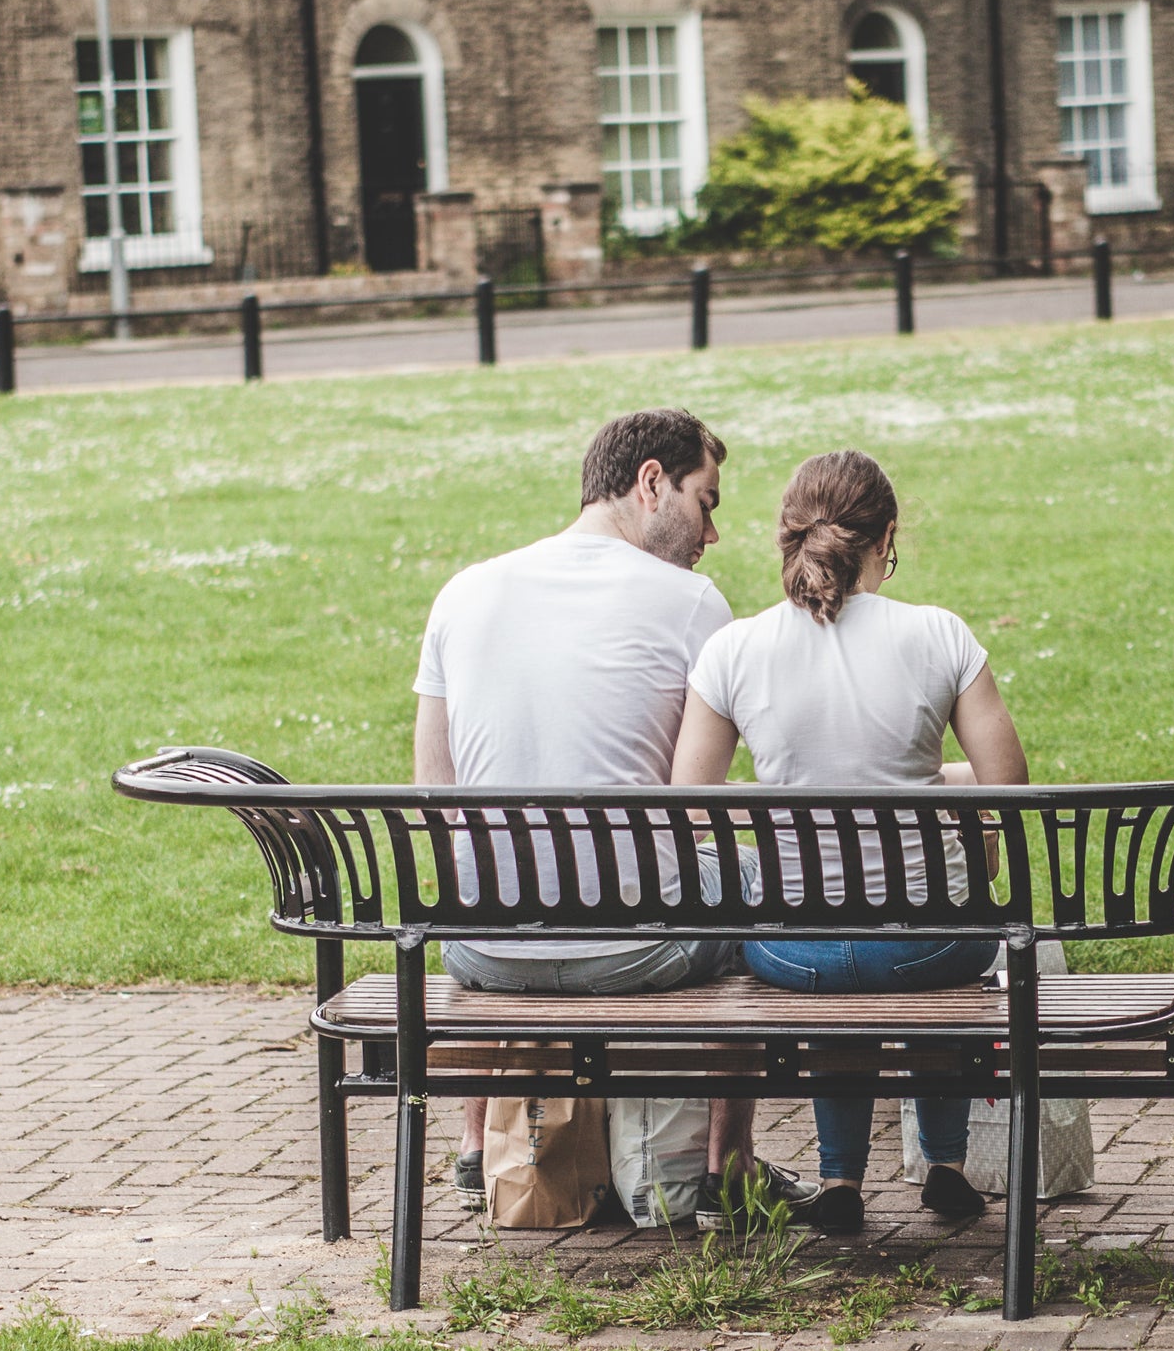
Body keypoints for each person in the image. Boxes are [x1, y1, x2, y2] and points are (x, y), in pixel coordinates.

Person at [412, 407, 813, 1222]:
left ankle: (472, 1147)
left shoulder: (464, 592)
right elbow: (695, 802)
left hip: (483, 949)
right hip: (637, 947)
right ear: (651, 483)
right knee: (751, 889)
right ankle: (724, 1169)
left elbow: (437, 793)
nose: (711, 531)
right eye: (706, 502)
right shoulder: (692, 602)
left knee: (489, 869)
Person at [670, 448, 1030, 1234]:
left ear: (788, 537)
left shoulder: (735, 649)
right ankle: (945, 1162)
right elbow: (1009, 786)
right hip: (936, 947)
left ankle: (840, 1177)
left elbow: (691, 807)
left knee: (836, 972)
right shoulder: (939, 635)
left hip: (797, 951)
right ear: (886, 535)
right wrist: (941, 788)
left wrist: (779, 809)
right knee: (939, 954)